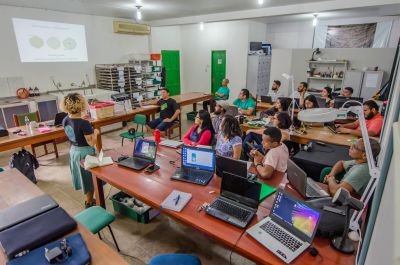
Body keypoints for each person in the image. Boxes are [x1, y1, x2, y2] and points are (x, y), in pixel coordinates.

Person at [61, 93, 99, 208]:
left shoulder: (65, 119)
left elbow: (75, 129)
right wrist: (96, 132)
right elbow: (91, 142)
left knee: (83, 177)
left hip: (74, 151)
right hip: (85, 153)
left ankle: (88, 200)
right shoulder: (84, 123)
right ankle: (89, 202)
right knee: (89, 179)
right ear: (81, 105)